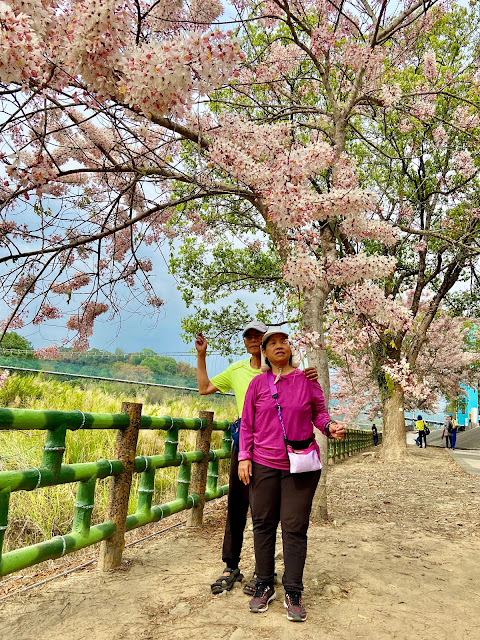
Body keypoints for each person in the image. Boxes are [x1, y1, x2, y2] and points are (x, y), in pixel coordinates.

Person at [195, 322, 319, 596]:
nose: (253, 340)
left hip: (280, 449)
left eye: (258, 336)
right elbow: (204, 388)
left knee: (268, 512)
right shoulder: (239, 371)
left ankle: (263, 573)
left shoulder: (293, 374)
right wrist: (202, 355)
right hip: (247, 443)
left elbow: (312, 406)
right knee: (238, 506)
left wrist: (307, 377)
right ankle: (231, 565)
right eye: (249, 337)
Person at [238, 329, 344, 622]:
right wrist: (244, 457)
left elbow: (320, 414)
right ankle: (263, 583)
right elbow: (247, 424)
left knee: (295, 527)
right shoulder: (258, 384)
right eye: (271, 343)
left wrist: (330, 427)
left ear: (290, 349)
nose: (279, 346)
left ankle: (293, 590)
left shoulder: (307, 381)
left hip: (300, 466)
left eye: (283, 341)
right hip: (263, 463)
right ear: (265, 353)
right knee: (262, 523)